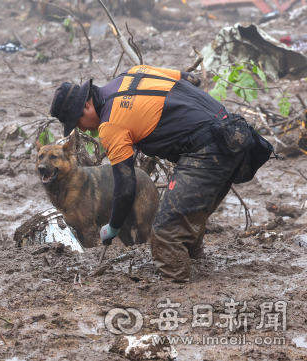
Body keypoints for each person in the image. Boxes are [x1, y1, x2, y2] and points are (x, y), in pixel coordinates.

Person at [50, 65, 272, 283]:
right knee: (189, 215)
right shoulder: (134, 72)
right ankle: (196, 266)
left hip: (206, 151)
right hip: (233, 134)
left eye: (77, 122)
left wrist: (113, 227)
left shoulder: (111, 126)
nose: (83, 130)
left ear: (87, 106)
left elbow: (126, 189)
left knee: (166, 231)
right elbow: (191, 79)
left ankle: (177, 290)